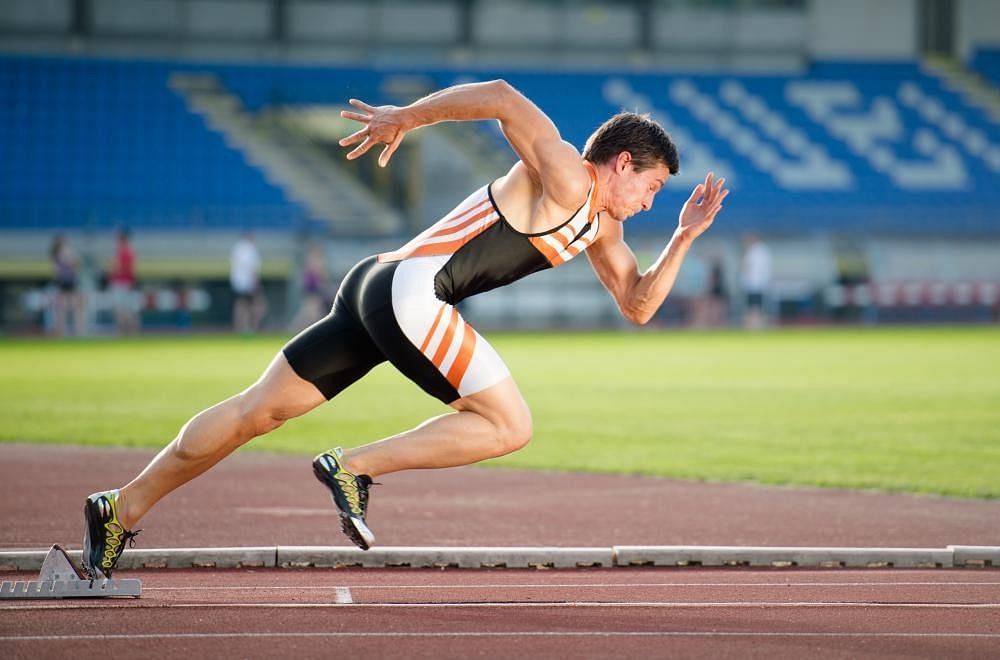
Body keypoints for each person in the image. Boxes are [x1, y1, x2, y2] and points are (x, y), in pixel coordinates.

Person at [81, 79, 728, 579]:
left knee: (257, 412)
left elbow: (638, 303)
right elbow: (502, 97)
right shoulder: (565, 174)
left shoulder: (602, 229)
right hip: (412, 294)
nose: (651, 202)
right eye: (653, 187)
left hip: (374, 286)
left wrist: (681, 238)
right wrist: (405, 118)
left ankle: (123, 507)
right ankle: (354, 468)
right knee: (510, 425)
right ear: (620, 163)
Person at [49, 234, 86, 337]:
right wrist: (73, 259)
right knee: (69, 307)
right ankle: (73, 330)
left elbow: (75, 263)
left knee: (67, 307)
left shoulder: (58, 253)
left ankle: (68, 329)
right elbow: (75, 262)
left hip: (66, 281)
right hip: (67, 282)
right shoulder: (61, 252)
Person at [230, 231, 265, 334]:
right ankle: (250, 327)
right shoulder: (250, 249)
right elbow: (251, 268)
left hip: (238, 282)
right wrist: (256, 282)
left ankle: (240, 327)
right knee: (254, 306)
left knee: (240, 306)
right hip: (248, 283)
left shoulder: (237, 248)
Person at [108, 228, 140, 335]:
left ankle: (123, 332)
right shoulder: (129, 251)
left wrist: (113, 271)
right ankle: (131, 331)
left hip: (121, 283)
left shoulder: (123, 251)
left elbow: (119, 268)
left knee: (121, 309)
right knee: (127, 309)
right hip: (126, 283)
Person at [740, 233, 771, 329]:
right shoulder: (762, 250)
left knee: (753, 307)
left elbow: (746, 266)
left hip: (753, 284)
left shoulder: (754, 251)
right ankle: (755, 324)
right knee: (756, 306)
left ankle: (754, 325)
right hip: (758, 283)